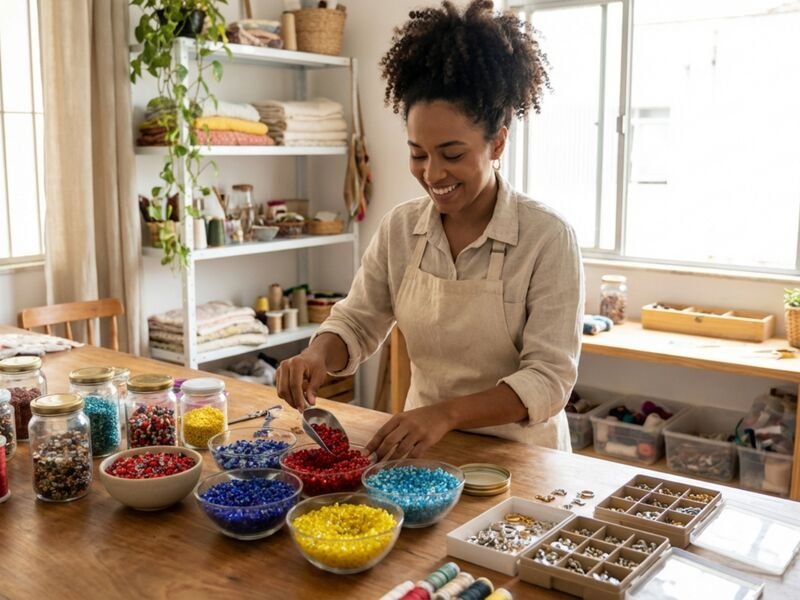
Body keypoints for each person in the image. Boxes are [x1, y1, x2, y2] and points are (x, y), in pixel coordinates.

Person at [275, 0, 584, 459]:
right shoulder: (401, 228)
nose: (433, 173)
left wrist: (447, 413)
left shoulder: (547, 237)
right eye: (418, 154)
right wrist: (317, 355)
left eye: (452, 154)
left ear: (497, 142)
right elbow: (358, 321)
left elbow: (548, 381)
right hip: (420, 449)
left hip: (523, 458)